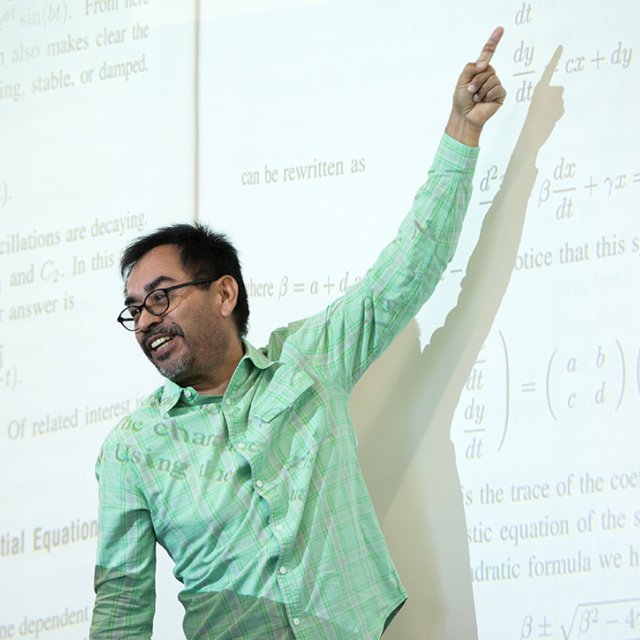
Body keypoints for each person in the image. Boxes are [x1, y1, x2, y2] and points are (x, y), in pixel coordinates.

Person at [90, 27, 506, 640]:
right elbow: (120, 613)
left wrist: (463, 131)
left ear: (223, 293)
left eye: (160, 298)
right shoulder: (132, 450)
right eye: (134, 311)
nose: (147, 320)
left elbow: (405, 271)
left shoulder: (309, 361)